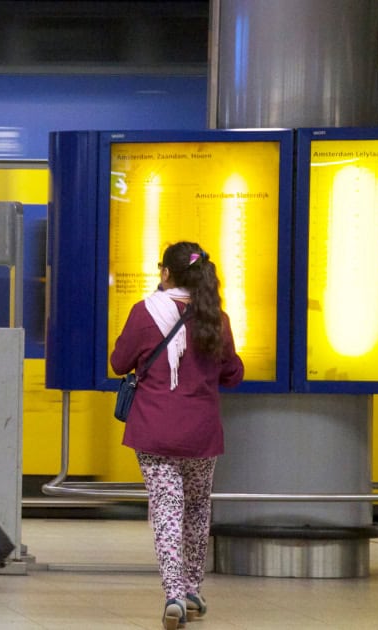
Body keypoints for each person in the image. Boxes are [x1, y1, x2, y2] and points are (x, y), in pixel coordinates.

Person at [110, 242, 243, 630]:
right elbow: (232, 373)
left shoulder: (144, 313)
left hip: (154, 431)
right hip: (201, 432)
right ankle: (192, 589)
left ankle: (173, 595)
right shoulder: (215, 318)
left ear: (165, 273)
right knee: (198, 509)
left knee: (167, 509)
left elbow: (119, 362)